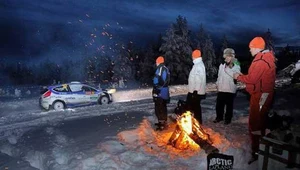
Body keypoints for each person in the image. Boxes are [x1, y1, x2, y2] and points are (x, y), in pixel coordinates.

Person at [233, 37, 276, 164]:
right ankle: (262, 142)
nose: (249, 49)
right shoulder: (266, 58)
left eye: (251, 47)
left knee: (255, 121)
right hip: (264, 94)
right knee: (260, 119)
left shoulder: (261, 61)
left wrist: (238, 76)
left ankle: (257, 150)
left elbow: (252, 79)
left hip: (261, 95)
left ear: (257, 47)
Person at [214, 48, 241, 125]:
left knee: (229, 106)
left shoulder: (236, 64)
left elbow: (236, 75)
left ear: (232, 56)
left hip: (230, 89)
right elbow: (219, 76)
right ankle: (219, 117)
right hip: (221, 88)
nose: (226, 57)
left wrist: (229, 67)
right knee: (219, 105)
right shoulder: (222, 65)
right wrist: (217, 84)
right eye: (226, 56)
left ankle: (228, 119)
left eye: (229, 56)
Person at [187, 49, 206, 124]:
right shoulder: (197, 64)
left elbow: (199, 79)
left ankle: (197, 122)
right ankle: (196, 121)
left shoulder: (199, 65)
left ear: (194, 56)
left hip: (196, 91)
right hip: (194, 90)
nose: (192, 57)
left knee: (195, 107)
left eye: (193, 56)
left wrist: (195, 91)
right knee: (194, 106)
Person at [152, 56, 170, 131]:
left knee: (159, 106)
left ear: (158, 62)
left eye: (156, 62)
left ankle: (162, 123)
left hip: (160, 90)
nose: (156, 63)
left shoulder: (161, 68)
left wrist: (157, 88)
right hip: (164, 90)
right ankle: (163, 121)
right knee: (162, 105)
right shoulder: (165, 68)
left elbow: (159, 80)